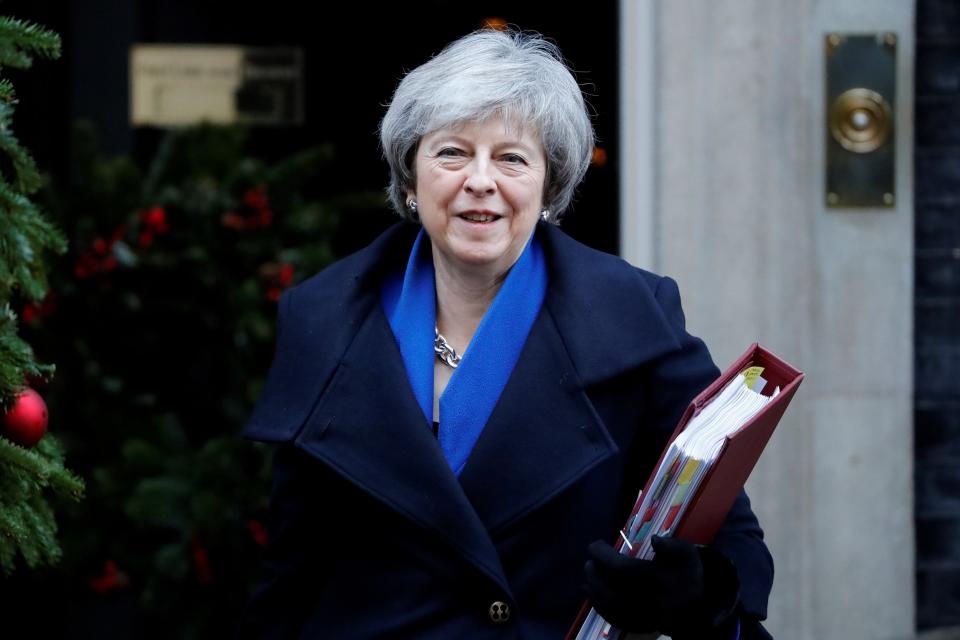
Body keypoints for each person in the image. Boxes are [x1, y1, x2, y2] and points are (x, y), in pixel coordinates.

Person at [240, 28, 773, 639]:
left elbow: (730, 535)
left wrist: (690, 594)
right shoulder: (322, 318)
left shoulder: (636, 316)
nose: (480, 180)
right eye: (452, 153)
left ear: (549, 186)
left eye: (512, 158)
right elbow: (290, 573)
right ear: (410, 181)